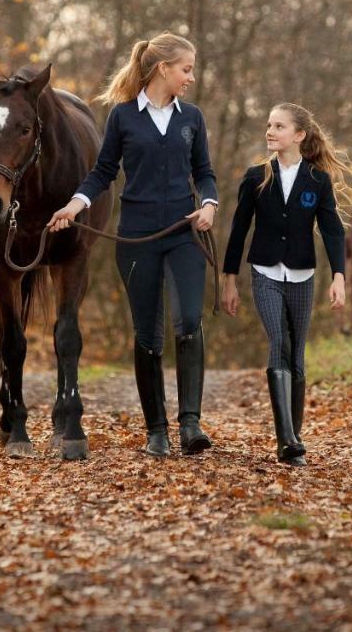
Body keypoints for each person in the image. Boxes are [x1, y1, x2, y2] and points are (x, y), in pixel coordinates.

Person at [48, 33, 219, 457]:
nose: (190, 78)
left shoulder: (191, 118)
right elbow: (103, 171)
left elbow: (205, 172)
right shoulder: (124, 118)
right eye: (185, 69)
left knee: (189, 323)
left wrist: (210, 205)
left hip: (184, 234)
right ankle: (156, 429)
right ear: (163, 68)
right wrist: (74, 204)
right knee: (148, 334)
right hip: (137, 238)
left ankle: (190, 424)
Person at [221, 103, 352, 466]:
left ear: (298, 135)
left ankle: (293, 438)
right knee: (278, 341)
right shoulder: (255, 177)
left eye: (279, 126)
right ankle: (286, 438)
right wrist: (229, 280)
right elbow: (239, 230)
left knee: (297, 353)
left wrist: (339, 277)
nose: (270, 131)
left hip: (302, 276)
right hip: (264, 273)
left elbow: (331, 229)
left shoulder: (317, 181)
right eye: (269, 125)